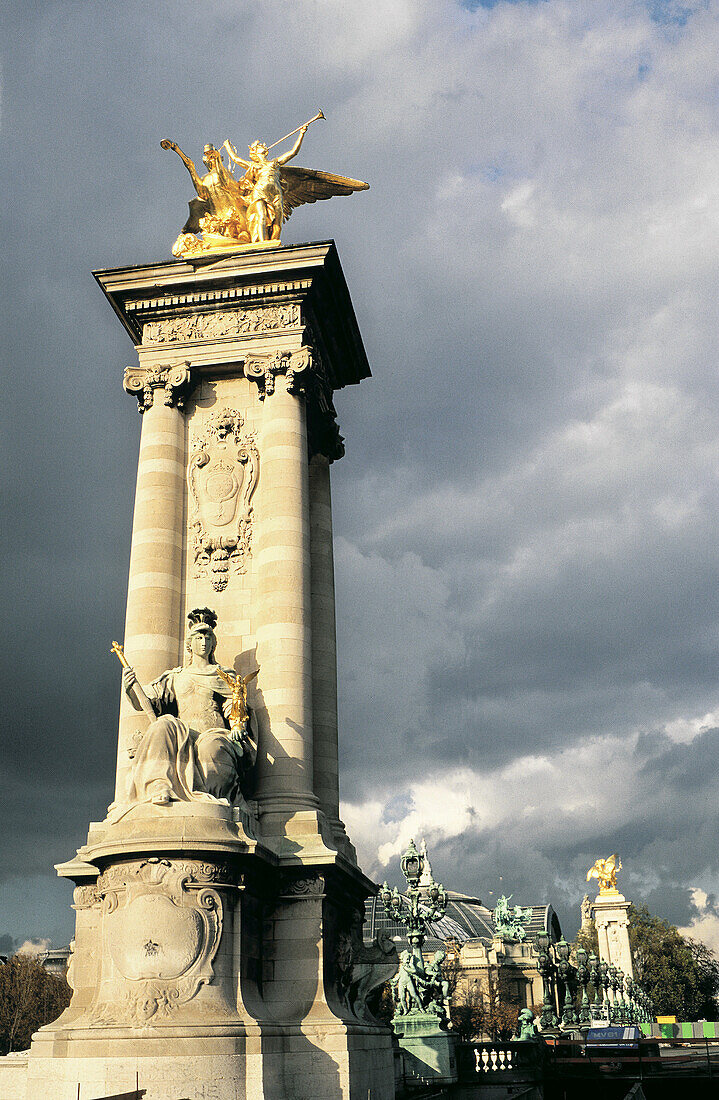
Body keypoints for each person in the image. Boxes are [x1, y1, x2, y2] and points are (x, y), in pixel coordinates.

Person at [119, 608, 256, 810]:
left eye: (208, 638)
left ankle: (210, 798)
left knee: (211, 747)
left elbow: (235, 704)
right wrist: (130, 688)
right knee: (164, 723)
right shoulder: (176, 675)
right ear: (189, 645)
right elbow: (145, 701)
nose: (204, 642)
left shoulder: (224, 675)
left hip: (213, 733)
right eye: (199, 637)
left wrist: (237, 726)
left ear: (213, 643)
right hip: (183, 734)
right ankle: (160, 785)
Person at [223, 125, 309, 242]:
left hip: (276, 192)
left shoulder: (275, 163)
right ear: (254, 151)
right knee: (261, 216)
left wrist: (301, 134)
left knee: (277, 222)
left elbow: (293, 152)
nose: (263, 146)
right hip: (260, 191)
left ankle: (273, 243)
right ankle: (263, 244)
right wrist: (228, 146)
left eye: (263, 146)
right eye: (259, 146)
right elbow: (236, 159)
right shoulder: (254, 165)